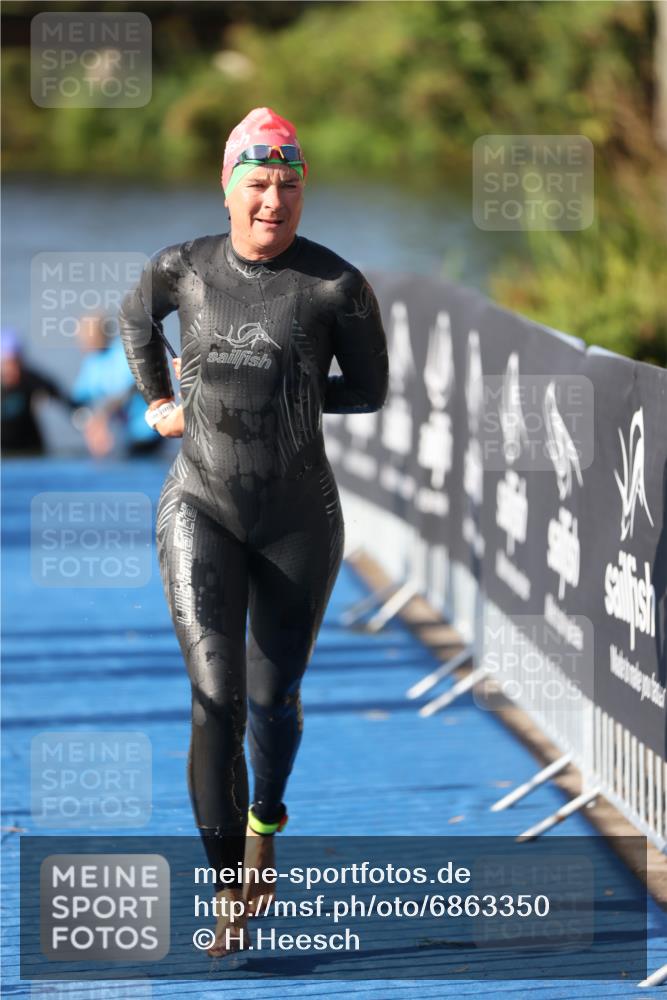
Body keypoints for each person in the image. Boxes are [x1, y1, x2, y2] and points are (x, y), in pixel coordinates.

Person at [118, 107, 388, 957]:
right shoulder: (184, 267)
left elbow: (370, 389)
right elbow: (135, 321)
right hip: (199, 505)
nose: (274, 201)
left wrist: (295, 397)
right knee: (215, 702)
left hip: (298, 519)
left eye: (289, 186)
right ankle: (229, 886)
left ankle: (266, 815)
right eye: (259, 184)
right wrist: (160, 400)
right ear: (229, 187)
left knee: (271, 703)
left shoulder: (334, 287)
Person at [72, 314, 167, 457]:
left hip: (149, 431)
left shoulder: (124, 352)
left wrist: (102, 416)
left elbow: (129, 390)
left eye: (86, 334)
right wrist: (88, 423)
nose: (82, 340)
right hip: (124, 436)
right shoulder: (91, 362)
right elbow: (77, 400)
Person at [1, 327, 75, 456]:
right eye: (7, 363)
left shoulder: (31, 380)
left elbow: (64, 400)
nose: (12, 369)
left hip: (32, 451)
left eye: (16, 362)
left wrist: (88, 423)